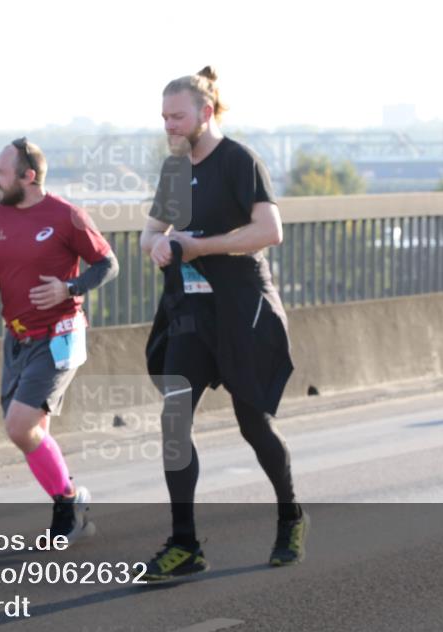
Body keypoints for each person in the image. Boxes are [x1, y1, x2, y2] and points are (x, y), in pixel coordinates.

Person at [137, 67, 307, 582]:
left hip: (241, 307)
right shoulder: (174, 170)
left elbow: (269, 231)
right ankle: (185, 544)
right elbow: (149, 235)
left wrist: (200, 246)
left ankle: (291, 517)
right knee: (174, 421)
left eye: (177, 116)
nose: (169, 125)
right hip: (191, 312)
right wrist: (160, 246)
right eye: (164, 117)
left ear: (205, 113)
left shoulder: (239, 160)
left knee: (254, 424)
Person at [0, 138, 119, 543]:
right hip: (16, 339)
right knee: (32, 433)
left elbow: (107, 265)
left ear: (28, 176)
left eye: (0, 173)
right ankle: (70, 505)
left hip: (60, 335)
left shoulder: (68, 216)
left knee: (20, 427)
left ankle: (69, 505)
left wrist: (69, 288)